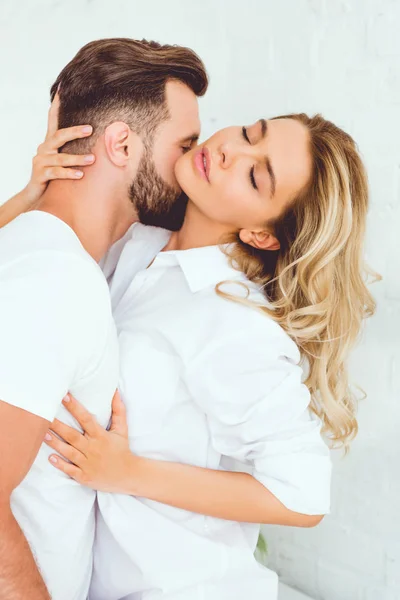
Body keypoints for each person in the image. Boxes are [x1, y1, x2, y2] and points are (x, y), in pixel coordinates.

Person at [3, 108, 377, 597]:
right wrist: (33, 198)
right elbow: (19, 268)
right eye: (249, 133)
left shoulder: (236, 321)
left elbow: (302, 496)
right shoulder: (136, 245)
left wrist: (129, 473)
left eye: (254, 175)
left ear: (262, 234)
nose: (229, 150)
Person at [0, 37, 208, 600]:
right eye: (183, 143)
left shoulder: (35, 250)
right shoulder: (54, 279)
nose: (193, 163)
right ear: (121, 144)